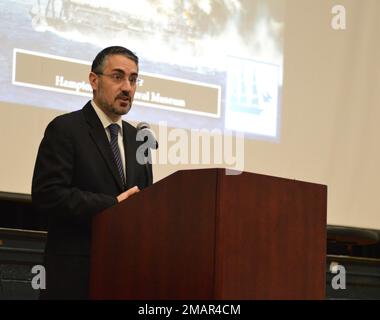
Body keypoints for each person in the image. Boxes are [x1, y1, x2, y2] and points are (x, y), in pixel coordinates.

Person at [32, 46, 153, 299]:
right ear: (94, 80)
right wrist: (112, 205)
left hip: (125, 277)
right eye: (118, 76)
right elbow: (48, 195)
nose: (128, 88)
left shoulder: (139, 140)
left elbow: (144, 204)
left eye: (133, 79)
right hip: (73, 278)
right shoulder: (66, 129)